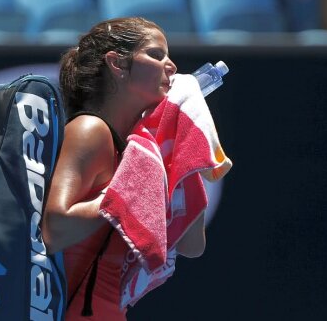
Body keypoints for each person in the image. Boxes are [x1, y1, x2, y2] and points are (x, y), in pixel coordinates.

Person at [41, 17, 206, 321]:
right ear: (117, 64)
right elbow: (55, 229)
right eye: (156, 55)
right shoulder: (90, 130)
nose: (171, 66)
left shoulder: (139, 153)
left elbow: (192, 244)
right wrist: (131, 187)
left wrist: (182, 150)